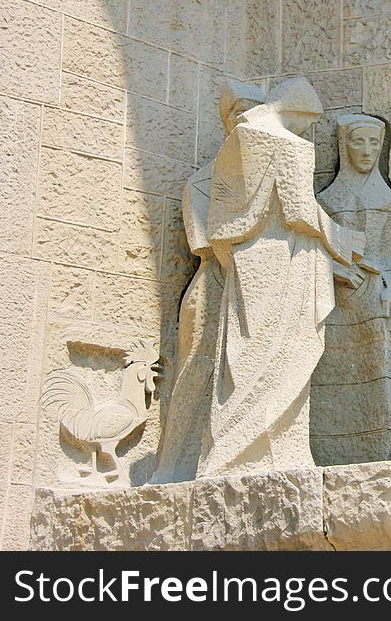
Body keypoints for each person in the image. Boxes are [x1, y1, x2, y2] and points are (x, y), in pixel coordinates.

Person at [195, 78, 365, 477]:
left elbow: (222, 217)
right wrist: (342, 237)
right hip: (287, 258)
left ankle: (232, 451)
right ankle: (269, 453)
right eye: (307, 124)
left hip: (248, 259)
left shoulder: (238, 140)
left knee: (246, 352)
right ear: (300, 113)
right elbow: (299, 210)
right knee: (288, 351)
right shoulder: (290, 144)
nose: (306, 132)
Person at [151, 82, 265, 484]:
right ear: (227, 121)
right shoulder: (202, 183)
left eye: (258, 111)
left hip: (255, 291)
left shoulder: (270, 182)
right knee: (195, 373)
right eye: (240, 112)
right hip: (216, 287)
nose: (249, 120)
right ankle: (170, 467)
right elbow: (212, 244)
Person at [311, 114, 391, 465]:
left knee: (377, 374)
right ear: (343, 145)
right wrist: (334, 270)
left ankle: (377, 452)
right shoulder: (327, 200)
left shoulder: (387, 200)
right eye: (358, 142)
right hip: (335, 303)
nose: (367, 151)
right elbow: (311, 252)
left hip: (374, 297)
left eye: (374, 143)